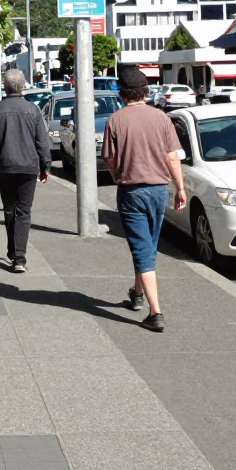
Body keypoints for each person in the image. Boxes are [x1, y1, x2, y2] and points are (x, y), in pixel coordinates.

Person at [101, 66, 187, 333]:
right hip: (159, 190)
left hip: (131, 192)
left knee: (142, 249)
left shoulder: (115, 120)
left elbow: (109, 158)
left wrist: (117, 174)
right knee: (147, 246)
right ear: (145, 92)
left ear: (121, 93)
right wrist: (181, 189)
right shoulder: (161, 118)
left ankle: (155, 312)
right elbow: (173, 156)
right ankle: (137, 295)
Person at [0, 68, 51, 273]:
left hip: (4, 166)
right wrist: (45, 165)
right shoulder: (33, 110)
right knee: (23, 211)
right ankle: (20, 258)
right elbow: (42, 141)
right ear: (22, 86)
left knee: (9, 209)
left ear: (5, 87)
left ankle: (13, 252)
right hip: (28, 166)